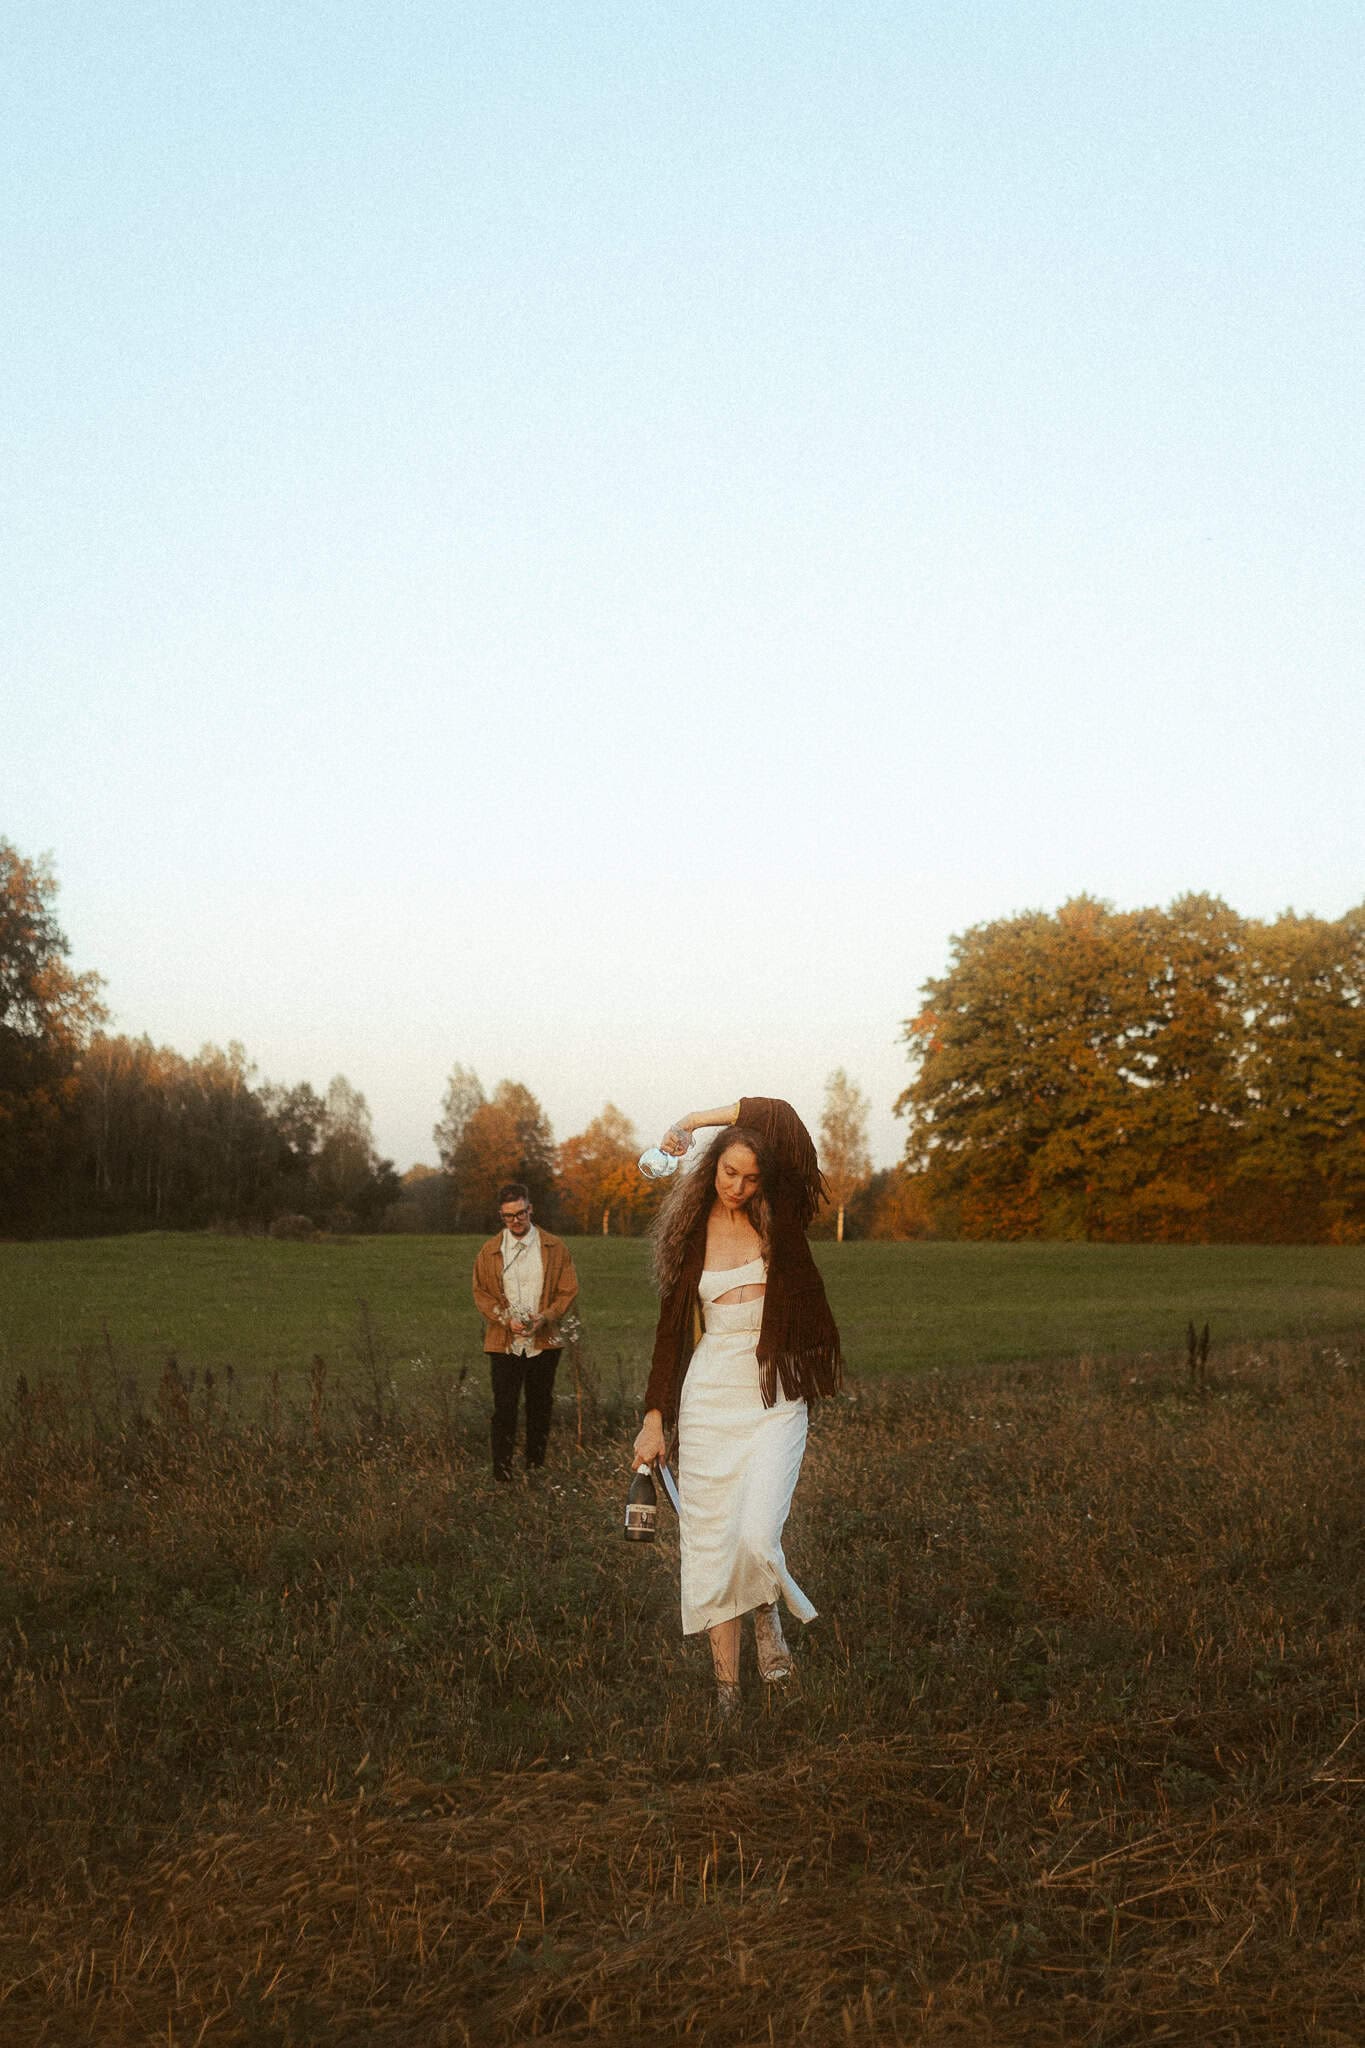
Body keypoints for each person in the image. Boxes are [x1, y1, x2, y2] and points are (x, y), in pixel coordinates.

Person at [632, 1097, 842, 1714]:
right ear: (712, 1168)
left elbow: (782, 1118)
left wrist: (693, 1121)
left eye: (751, 1178)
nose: (738, 1187)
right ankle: (727, 1694)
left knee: (756, 1535)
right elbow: (670, 1336)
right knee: (710, 1544)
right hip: (709, 1397)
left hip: (775, 1393)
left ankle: (767, 1609)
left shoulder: (781, 1217)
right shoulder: (689, 1235)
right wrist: (653, 1419)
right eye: (729, 1173)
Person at [473, 1181, 580, 1481]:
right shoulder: (489, 1251)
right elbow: (481, 1293)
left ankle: (535, 1468)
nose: (516, 1221)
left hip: (544, 1342)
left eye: (520, 1213)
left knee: (540, 1405)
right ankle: (502, 1475)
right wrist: (505, 1319)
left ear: (530, 1209)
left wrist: (545, 1317)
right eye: (508, 1216)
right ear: (501, 1216)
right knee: (504, 1408)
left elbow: (568, 1290)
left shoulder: (555, 1247)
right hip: (504, 1342)